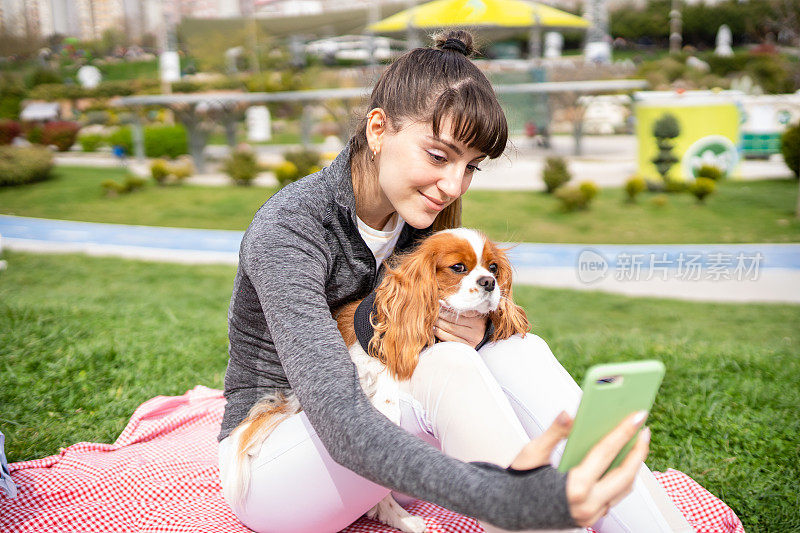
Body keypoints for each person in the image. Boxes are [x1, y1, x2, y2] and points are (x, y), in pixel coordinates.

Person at [217, 30, 691, 533]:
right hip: (274, 463)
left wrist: (480, 333)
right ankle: (526, 511)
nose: (452, 185)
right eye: (439, 157)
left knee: (518, 350)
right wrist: (499, 495)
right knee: (449, 367)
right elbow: (343, 426)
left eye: (471, 168)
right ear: (378, 130)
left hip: (380, 448)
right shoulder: (291, 228)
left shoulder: (420, 219)